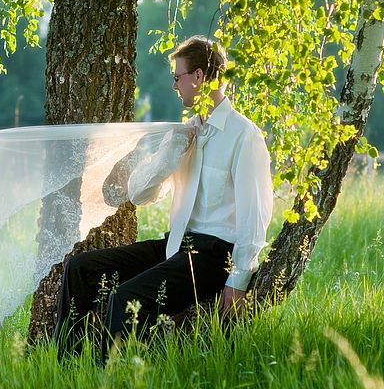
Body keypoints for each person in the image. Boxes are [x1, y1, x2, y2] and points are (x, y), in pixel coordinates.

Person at [53, 35, 274, 361]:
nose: (174, 85)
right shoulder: (187, 131)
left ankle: (105, 385)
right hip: (173, 247)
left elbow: (256, 216)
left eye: (178, 76)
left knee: (123, 300)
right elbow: (139, 195)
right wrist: (168, 154)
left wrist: (238, 279)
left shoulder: (244, 136)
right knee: (80, 269)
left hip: (212, 257)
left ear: (199, 77)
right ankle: (68, 371)